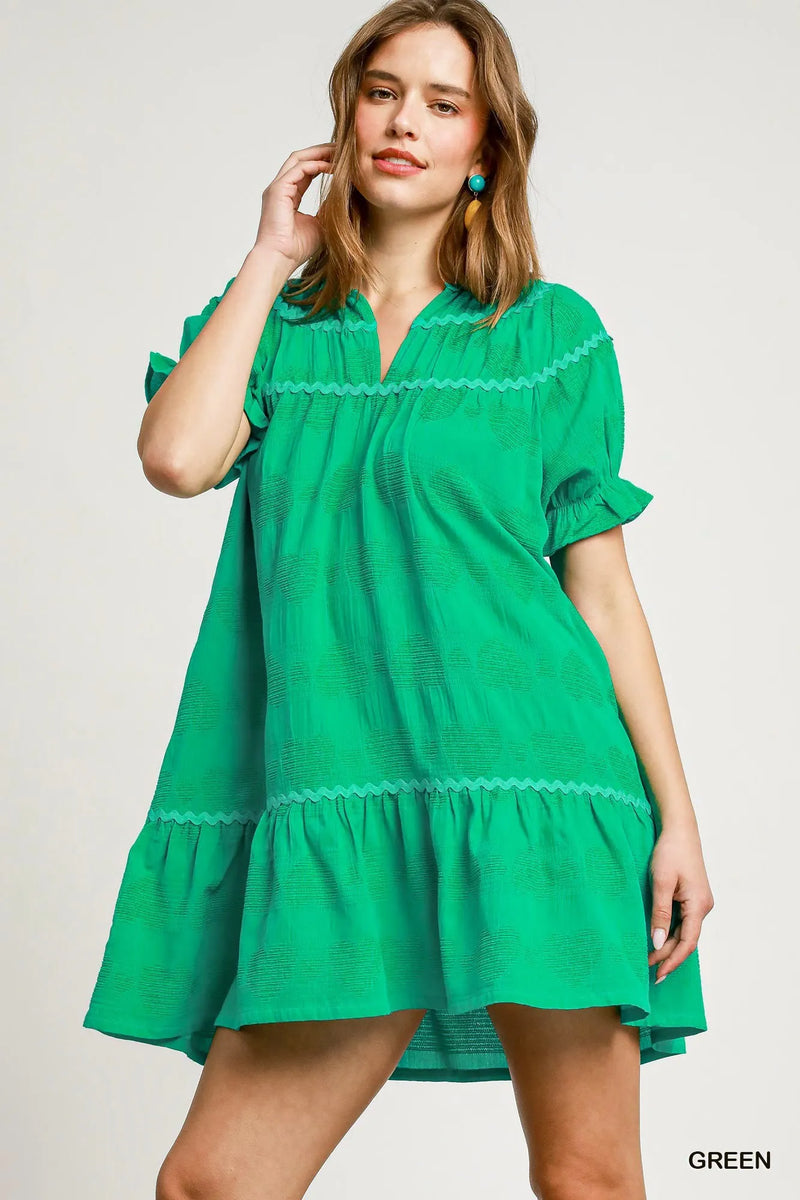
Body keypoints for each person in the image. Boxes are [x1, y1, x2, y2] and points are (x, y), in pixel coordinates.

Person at [83, 2, 714, 1197]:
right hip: (344, 792)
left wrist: (674, 820)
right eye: (381, 91)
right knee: (213, 1184)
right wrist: (272, 255)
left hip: (538, 792)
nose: (402, 122)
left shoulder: (546, 337)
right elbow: (174, 459)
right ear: (344, 115)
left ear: (484, 147)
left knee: (589, 1181)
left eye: (441, 102)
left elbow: (604, 597)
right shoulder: (275, 324)